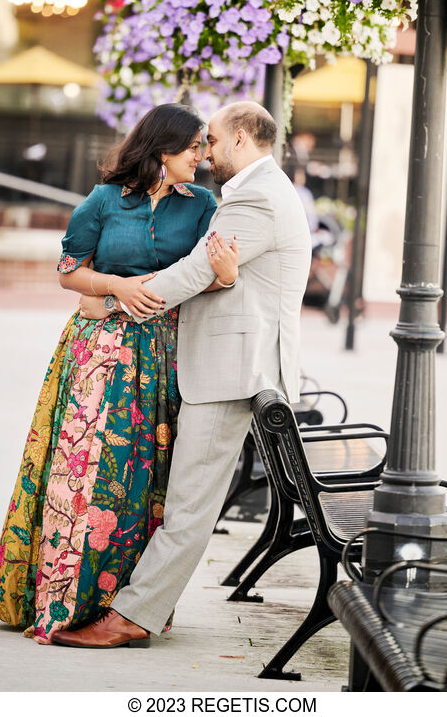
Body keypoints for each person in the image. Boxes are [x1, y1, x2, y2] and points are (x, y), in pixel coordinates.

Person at [52, 100, 312, 649]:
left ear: (241, 138)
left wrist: (116, 302)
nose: (207, 153)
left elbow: (197, 271)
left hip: (231, 369)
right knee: (184, 500)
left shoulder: (257, 197)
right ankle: (135, 610)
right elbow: (219, 275)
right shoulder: (256, 192)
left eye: (212, 141)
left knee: (189, 505)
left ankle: (132, 618)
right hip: (222, 363)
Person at [0, 104, 238, 644]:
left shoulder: (202, 207)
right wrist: (115, 288)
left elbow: (207, 276)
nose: (203, 156)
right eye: (194, 147)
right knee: (81, 475)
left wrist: (224, 277)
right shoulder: (103, 201)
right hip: (98, 356)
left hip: (166, 358)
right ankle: (59, 600)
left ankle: (124, 609)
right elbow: (69, 271)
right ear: (163, 151)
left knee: (140, 478)